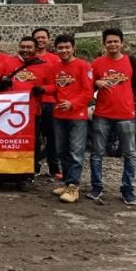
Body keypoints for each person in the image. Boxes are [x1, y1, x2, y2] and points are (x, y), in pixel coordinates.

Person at [89, 28, 136, 206]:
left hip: (126, 115)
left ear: (121, 43)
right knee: (97, 154)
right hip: (102, 114)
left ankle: (127, 189)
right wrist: (96, 82)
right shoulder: (97, 63)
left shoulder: (132, 62)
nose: (112, 44)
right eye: (109, 42)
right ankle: (96, 187)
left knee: (130, 154)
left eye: (116, 41)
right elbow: (87, 87)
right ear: (104, 44)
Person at [0, 36, 55, 176]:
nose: (25, 50)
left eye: (29, 47)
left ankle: (30, 169)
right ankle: (7, 168)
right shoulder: (9, 62)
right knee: (9, 140)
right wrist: (2, 80)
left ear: (36, 49)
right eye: (23, 47)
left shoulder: (45, 66)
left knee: (31, 141)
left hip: (32, 111)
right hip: (9, 110)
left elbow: (54, 86)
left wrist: (43, 89)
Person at [49, 34, 93, 203]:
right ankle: (67, 183)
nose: (64, 50)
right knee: (61, 151)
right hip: (59, 115)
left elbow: (88, 93)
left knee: (76, 151)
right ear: (56, 49)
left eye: (67, 47)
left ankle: (74, 186)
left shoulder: (83, 66)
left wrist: (72, 104)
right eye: (60, 48)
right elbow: (55, 88)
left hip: (77, 115)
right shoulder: (55, 67)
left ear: (73, 48)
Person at [32, 27, 62, 179]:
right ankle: (34, 166)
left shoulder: (55, 59)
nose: (40, 40)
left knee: (52, 137)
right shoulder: (28, 58)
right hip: (32, 104)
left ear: (48, 39)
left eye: (43, 37)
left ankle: (54, 167)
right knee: (33, 137)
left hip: (50, 103)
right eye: (37, 37)